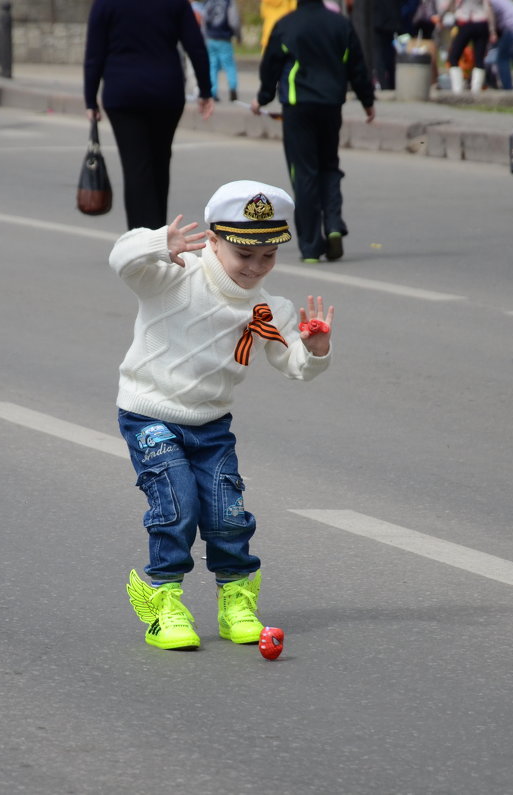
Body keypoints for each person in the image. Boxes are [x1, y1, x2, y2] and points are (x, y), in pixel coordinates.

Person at [110, 179, 334, 651]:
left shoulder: (270, 308)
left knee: (227, 513)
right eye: (244, 254)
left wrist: (315, 350)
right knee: (178, 505)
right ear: (213, 240)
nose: (256, 267)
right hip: (150, 413)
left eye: (268, 256)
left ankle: (236, 602)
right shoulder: (174, 274)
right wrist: (156, 242)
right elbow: (121, 259)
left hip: (211, 424)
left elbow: (294, 365)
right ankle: (163, 604)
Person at [254, 0, 375, 263]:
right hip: (331, 104)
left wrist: (262, 99)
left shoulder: (286, 25)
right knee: (329, 165)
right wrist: (367, 101)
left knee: (304, 171)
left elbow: (270, 66)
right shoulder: (340, 24)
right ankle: (332, 225)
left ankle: (310, 247)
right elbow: (357, 65)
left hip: (298, 107)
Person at [84, 0, 214, 230]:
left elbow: (95, 53)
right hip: (166, 92)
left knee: (135, 166)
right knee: (160, 163)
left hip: (122, 93)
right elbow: (195, 45)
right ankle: (159, 233)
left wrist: (90, 98)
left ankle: (141, 239)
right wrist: (205, 90)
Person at [441, 0, 496, 94]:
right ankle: (476, 91)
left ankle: (457, 90)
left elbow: (447, 5)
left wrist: (441, 16)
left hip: (465, 22)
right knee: (479, 59)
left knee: (453, 57)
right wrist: (492, 30)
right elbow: (488, 8)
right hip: (481, 22)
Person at [201, 0, 239, 101]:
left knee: (212, 65)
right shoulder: (228, 2)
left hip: (210, 37)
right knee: (229, 65)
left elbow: (203, 19)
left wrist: (204, 36)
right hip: (224, 38)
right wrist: (238, 35)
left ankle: (212, 92)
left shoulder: (208, 2)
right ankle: (232, 87)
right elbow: (234, 21)